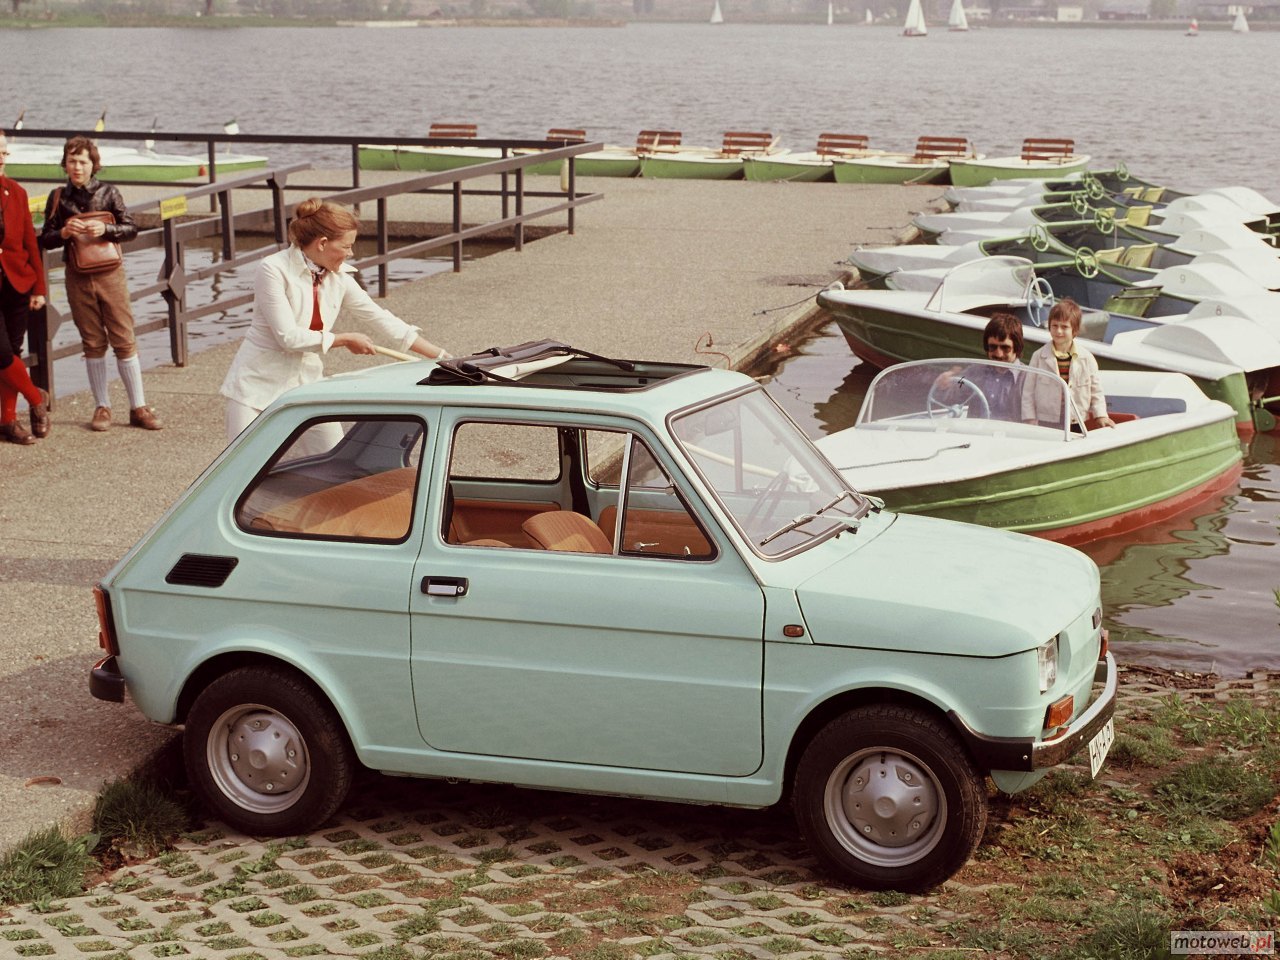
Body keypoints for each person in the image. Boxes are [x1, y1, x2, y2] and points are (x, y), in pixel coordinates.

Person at [220, 198, 449, 442]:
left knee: (332, 459)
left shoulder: (340, 277)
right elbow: (288, 337)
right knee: (246, 476)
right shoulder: (272, 270)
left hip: (304, 387)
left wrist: (442, 357)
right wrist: (343, 339)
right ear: (322, 243)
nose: (351, 253)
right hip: (255, 390)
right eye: (346, 246)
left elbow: (380, 318)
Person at [39, 136, 161, 432]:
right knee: (92, 341)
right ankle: (102, 406)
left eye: (82, 161)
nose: (77, 167)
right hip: (77, 276)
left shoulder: (108, 192)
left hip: (110, 273)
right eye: (71, 161)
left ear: (94, 164)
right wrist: (65, 232)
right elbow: (44, 239)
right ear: (64, 164)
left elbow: (131, 228)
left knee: (124, 337)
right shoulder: (58, 197)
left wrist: (105, 228)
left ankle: (138, 407)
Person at [0, 132, 51, 445]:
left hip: (17, 283)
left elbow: (30, 243)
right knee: (2, 353)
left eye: (3, 152)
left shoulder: (16, 192)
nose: (0, 157)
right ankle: (36, 397)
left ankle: (7, 421)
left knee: (11, 353)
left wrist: (39, 288)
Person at [1023, 297, 1114, 430]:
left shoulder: (1086, 358)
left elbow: (1096, 391)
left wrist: (1101, 415)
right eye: (1054, 326)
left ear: (1075, 331)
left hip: (1076, 419)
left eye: (1064, 327)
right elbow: (1028, 391)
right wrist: (1029, 417)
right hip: (1046, 419)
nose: (1058, 331)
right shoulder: (1038, 356)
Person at [932, 313, 1025, 421]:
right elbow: (958, 386)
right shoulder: (974, 371)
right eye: (992, 347)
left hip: (1009, 436)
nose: (998, 354)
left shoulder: (1029, 379)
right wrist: (945, 385)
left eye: (1005, 348)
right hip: (976, 434)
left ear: (1017, 348)